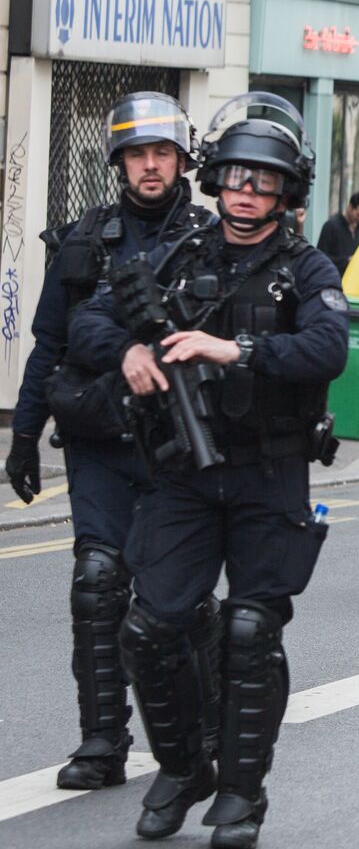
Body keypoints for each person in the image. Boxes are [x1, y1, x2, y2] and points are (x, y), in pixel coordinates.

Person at [67, 92, 348, 849]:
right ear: (215, 181)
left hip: (267, 472)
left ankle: (242, 792)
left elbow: (329, 350)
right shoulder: (179, 254)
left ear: (286, 192)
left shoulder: (305, 266)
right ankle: (184, 765)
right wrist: (128, 351)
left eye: (263, 183)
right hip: (183, 475)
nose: (246, 194)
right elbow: (90, 315)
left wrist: (234, 351)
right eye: (234, 179)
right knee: (149, 629)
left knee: (251, 630)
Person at [3, 92, 214, 792]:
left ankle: (204, 724)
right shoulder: (85, 238)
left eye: (160, 153)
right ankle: (102, 741)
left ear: (181, 159)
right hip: (100, 442)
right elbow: (50, 346)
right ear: (119, 163)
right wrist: (25, 434)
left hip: (179, 445)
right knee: (96, 586)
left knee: (178, 600)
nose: (149, 167)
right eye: (136, 155)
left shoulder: (212, 236)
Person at [316, 191, 359, 274]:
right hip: (334, 278)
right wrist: (346, 261)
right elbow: (320, 258)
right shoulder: (331, 226)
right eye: (358, 215)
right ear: (350, 207)